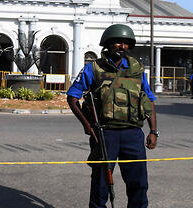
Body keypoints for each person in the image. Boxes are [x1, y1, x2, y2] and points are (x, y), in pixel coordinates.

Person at [67, 24, 158, 208]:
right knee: (101, 186)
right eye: (117, 42)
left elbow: (148, 99)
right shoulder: (94, 68)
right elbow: (72, 98)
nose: (122, 46)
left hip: (133, 134)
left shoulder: (137, 69)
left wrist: (154, 131)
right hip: (105, 134)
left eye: (126, 43)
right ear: (108, 44)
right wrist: (87, 125)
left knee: (139, 185)